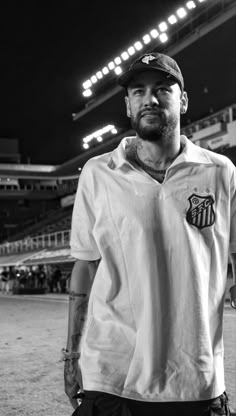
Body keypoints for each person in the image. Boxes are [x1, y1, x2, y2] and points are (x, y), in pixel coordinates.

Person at [63, 52, 236, 416]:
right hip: (112, 374)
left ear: (183, 100)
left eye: (162, 90)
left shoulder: (221, 173)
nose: (150, 99)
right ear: (128, 106)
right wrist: (72, 354)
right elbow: (85, 267)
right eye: (138, 92)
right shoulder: (98, 173)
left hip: (194, 378)